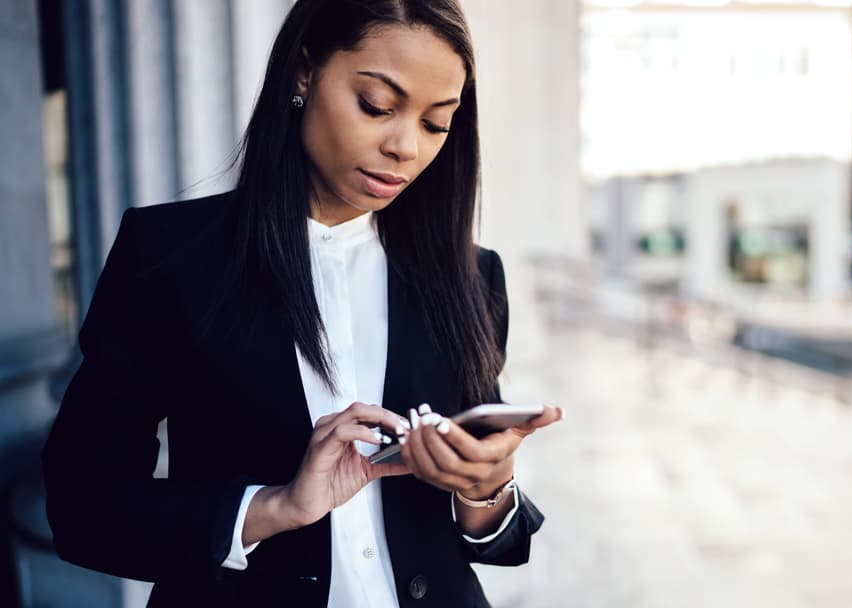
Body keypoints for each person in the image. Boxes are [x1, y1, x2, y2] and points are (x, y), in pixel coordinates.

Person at [39, 1, 564, 606]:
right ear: (304, 73)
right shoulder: (170, 256)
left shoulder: (471, 276)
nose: (405, 147)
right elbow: (83, 508)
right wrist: (274, 507)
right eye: (376, 105)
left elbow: (497, 541)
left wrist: (486, 487)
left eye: (435, 123)